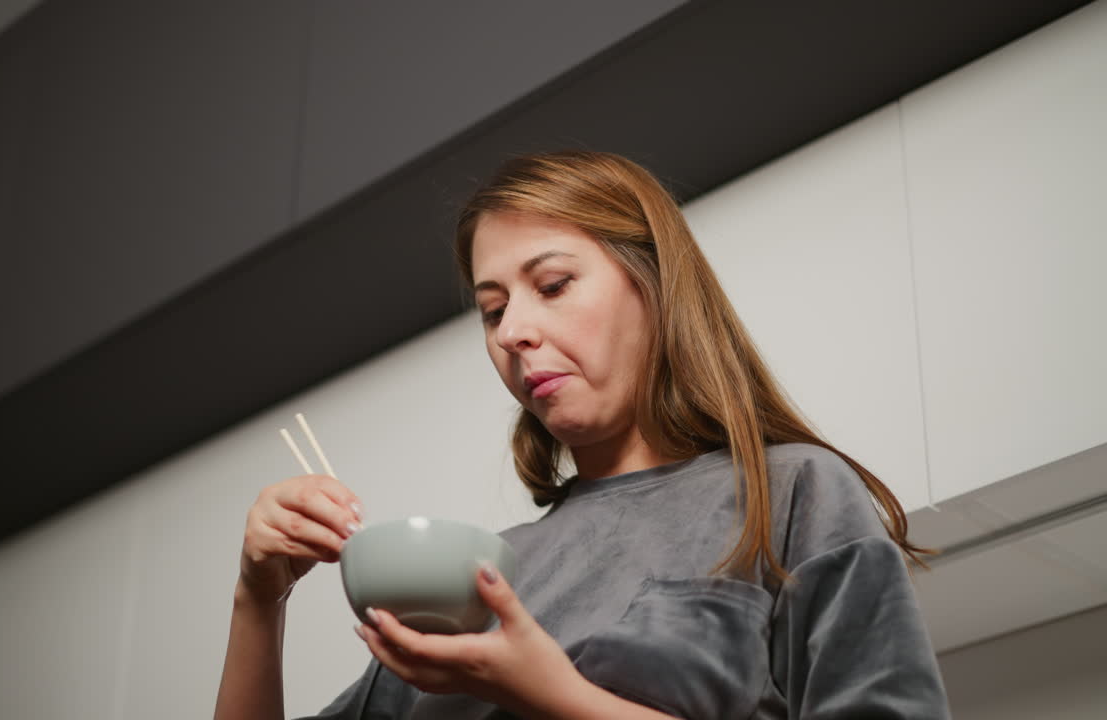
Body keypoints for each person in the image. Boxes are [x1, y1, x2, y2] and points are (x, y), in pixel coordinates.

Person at [214, 150, 951, 719]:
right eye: (492, 309)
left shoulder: (789, 493)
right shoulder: (480, 580)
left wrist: (553, 693)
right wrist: (259, 598)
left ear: (653, 285)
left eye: (554, 285)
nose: (516, 332)